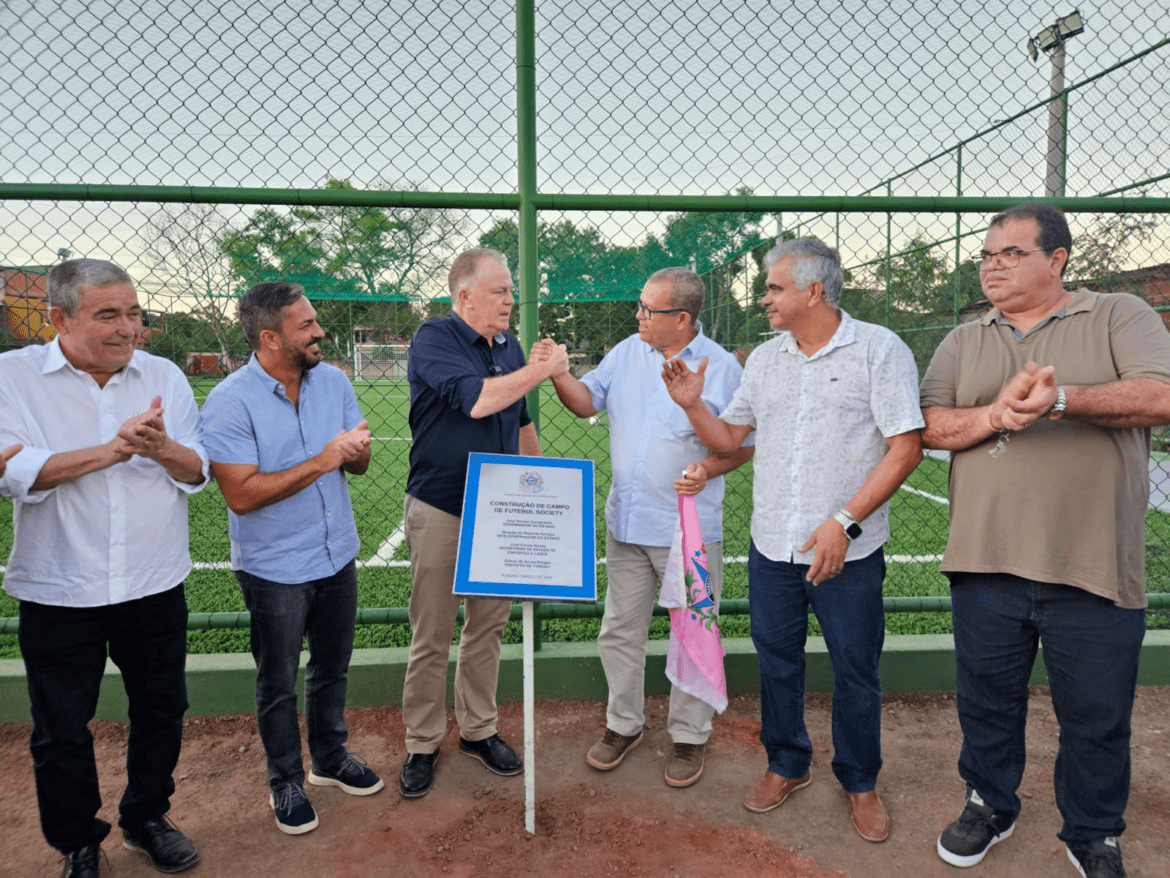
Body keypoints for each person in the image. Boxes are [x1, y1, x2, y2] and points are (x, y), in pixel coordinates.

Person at [920, 203, 1170, 878]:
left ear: (1057, 259)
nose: (992, 265)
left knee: (1096, 714)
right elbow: (932, 424)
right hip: (985, 561)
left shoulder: (1117, 314)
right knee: (985, 701)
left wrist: (1062, 401)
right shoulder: (964, 340)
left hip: (1092, 565)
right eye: (986, 254)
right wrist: (997, 414)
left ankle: (1093, 831)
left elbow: (1161, 396)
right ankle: (989, 803)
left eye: (1011, 253)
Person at [662, 238, 923, 843]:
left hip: (847, 551)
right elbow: (730, 442)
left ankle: (860, 780)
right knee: (778, 662)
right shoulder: (767, 360)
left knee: (855, 669)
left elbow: (904, 447)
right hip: (771, 547)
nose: (765, 298)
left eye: (775, 287)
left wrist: (844, 521)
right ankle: (787, 763)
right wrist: (695, 407)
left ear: (813, 291)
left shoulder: (878, 350)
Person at [0, 259, 207, 877]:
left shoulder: (163, 376)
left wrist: (160, 447)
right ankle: (78, 843)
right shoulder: (12, 377)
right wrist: (112, 451)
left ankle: (146, 816)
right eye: (108, 315)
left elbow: (196, 470)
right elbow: (10, 469)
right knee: (60, 728)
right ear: (58, 319)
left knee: (162, 709)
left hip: (153, 581)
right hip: (59, 586)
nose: (128, 329)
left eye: (134, 313)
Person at [544, 266, 753, 787]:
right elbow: (584, 403)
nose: (637, 315)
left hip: (689, 528)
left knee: (692, 631)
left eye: (648, 310)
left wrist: (706, 468)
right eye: (639, 306)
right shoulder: (624, 353)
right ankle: (623, 724)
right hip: (627, 522)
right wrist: (557, 373)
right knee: (620, 629)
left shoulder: (721, 366)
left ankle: (689, 736)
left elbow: (739, 446)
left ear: (682, 319)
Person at [199, 282, 382, 836]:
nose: (319, 331)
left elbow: (360, 466)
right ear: (270, 337)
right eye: (306, 325)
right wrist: (325, 459)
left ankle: (329, 758)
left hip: (336, 555)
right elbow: (241, 495)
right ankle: (286, 780)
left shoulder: (334, 382)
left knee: (331, 668)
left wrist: (357, 452)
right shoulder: (230, 400)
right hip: (273, 566)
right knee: (277, 680)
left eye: (315, 320)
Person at [399, 248, 568, 799]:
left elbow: (518, 420)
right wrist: (540, 370)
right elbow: (477, 401)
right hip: (444, 506)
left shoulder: (509, 347)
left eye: (511, 291)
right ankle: (422, 741)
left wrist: (546, 493)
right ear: (464, 295)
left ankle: (477, 729)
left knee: (488, 627)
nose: (510, 300)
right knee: (433, 631)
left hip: (500, 511)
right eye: (499, 291)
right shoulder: (434, 338)